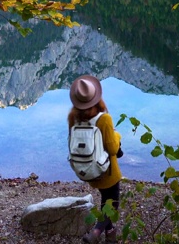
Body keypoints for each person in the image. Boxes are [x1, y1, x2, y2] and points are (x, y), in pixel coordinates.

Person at [68, 75, 122, 244]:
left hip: (89, 170)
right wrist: (117, 135)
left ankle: (111, 235)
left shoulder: (73, 118)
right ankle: (96, 232)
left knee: (105, 201)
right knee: (112, 205)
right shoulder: (104, 119)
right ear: (97, 97)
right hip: (107, 171)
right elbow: (113, 148)